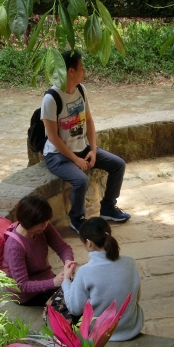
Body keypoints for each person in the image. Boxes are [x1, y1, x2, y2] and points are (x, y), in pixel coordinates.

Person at [41, 49, 130, 234]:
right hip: (57, 155)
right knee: (81, 180)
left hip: (82, 148)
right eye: (82, 68)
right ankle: (77, 219)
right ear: (71, 71)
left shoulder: (81, 90)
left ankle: (108, 208)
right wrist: (75, 159)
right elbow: (52, 137)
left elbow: (88, 120)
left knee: (118, 165)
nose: (85, 72)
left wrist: (94, 150)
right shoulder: (51, 98)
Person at [61, 217, 143, 341]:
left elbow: (75, 309)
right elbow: (137, 296)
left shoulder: (84, 271)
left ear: (88, 243)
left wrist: (66, 280)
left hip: (100, 333)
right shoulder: (130, 262)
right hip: (131, 328)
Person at [3, 195, 75, 305]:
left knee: (78, 290)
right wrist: (53, 283)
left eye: (47, 221)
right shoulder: (14, 247)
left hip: (46, 278)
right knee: (72, 302)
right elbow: (22, 285)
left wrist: (68, 261)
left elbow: (63, 247)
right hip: (29, 295)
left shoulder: (43, 227)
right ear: (29, 222)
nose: (46, 225)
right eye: (43, 222)